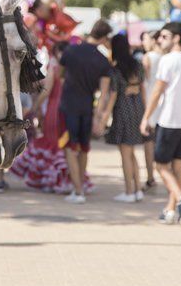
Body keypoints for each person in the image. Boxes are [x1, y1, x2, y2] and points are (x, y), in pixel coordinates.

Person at [140, 22, 181, 225]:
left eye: (165, 36)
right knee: (177, 165)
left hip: (169, 120)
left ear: (176, 38)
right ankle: (171, 208)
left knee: (160, 165)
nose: (160, 40)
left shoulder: (168, 60)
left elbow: (157, 90)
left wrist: (146, 118)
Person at [9, 42, 79, 193]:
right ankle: (70, 180)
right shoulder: (73, 70)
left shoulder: (55, 69)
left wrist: (35, 108)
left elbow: (46, 92)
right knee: (65, 144)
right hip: (71, 109)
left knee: (52, 141)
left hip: (55, 109)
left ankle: (54, 180)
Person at [58, 19, 113, 204]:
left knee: (69, 148)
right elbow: (104, 93)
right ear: (105, 37)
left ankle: (78, 190)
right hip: (87, 107)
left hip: (68, 105)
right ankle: (80, 186)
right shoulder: (103, 60)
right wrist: (99, 117)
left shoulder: (71, 50)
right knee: (83, 149)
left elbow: (59, 74)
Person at [96, 34, 145, 203]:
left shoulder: (115, 70)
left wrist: (103, 118)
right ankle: (138, 189)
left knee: (125, 154)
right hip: (138, 110)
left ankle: (129, 191)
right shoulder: (138, 65)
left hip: (123, 112)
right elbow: (142, 88)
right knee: (131, 153)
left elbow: (113, 95)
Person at [140, 30, 163, 191]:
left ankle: (150, 176)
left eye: (146, 39)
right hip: (164, 103)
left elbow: (144, 82)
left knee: (149, 143)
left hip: (150, 101)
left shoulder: (147, 58)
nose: (143, 43)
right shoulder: (167, 57)